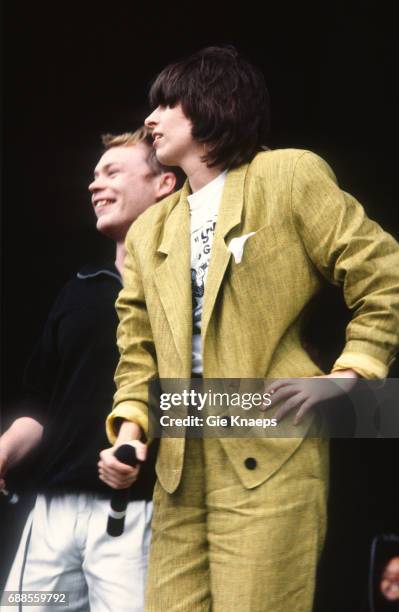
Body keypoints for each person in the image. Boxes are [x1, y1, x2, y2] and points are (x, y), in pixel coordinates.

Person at [99, 47, 399, 611]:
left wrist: (347, 374)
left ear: (213, 105)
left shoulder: (287, 175)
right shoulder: (150, 230)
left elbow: (383, 274)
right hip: (178, 463)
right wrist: (130, 433)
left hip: (269, 443)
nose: (151, 119)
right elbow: (136, 350)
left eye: (166, 104)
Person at [0, 127, 177, 612]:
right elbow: (38, 409)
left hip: (137, 519)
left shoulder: (191, 294)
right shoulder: (78, 289)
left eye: (112, 171)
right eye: (94, 175)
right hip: (51, 520)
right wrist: (3, 452)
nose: (94, 185)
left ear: (164, 183)